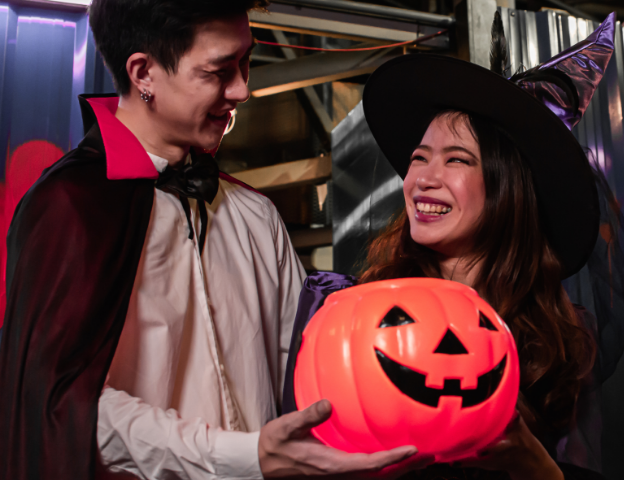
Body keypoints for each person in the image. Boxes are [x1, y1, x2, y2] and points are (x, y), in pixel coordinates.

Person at [0, 1, 429, 479]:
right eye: (220, 70)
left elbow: (306, 371)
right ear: (144, 73)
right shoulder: (70, 206)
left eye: (246, 62)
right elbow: (65, 407)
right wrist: (240, 456)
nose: (243, 90)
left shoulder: (256, 214)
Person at [282, 12, 620, 480]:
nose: (422, 179)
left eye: (455, 160)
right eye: (418, 159)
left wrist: (536, 468)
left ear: (506, 188)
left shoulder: (555, 339)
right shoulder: (344, 312)